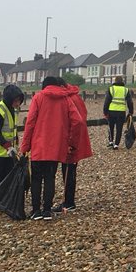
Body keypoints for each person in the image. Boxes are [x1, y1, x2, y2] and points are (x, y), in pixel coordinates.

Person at [19, 76, 83, 220]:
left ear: (44, 85)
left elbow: (30, 123)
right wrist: (71, 143)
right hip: (56, 147)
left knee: (36, 178)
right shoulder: (65, 99)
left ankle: (36, 211)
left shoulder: (38, 97)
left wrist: (25, 146)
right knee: (50, 177)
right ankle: (47, 210)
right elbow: (77, 121)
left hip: (38, 145)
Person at [55, 83, 93, 213]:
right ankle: (69, 200)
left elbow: (75, 121)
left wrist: (70, 142)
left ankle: (68, 202)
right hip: (77, 138)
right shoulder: (76, 96)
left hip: (72, 140)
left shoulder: (68, 99)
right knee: (70, 170)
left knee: (68, 171)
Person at [0, 84, 25, 195]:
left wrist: (15, 143)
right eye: (15, 100)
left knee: (7, 175)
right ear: (9, 99)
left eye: (19, 101)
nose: (17, 103)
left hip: (8, 150)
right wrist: (8, 146)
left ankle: (2, 198)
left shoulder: (14, 110)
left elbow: (13, 129)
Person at [102, 76, 134, 150]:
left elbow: (107, 101)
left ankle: (111, 142)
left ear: (115, 81)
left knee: (111, 127)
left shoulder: (111, 89)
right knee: (119, 128)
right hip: (121, 112)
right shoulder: (126, 90)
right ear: (122, 81)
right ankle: (116, 144)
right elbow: (130, 102)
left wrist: (105, 112)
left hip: (111, 111)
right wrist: (131, 112)